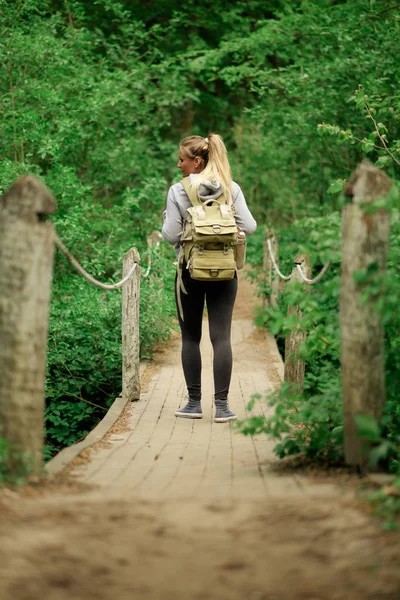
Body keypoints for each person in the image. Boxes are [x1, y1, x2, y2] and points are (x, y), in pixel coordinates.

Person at [162, 133, 257, 423]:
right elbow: (249, 227)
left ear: (196, 161)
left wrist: (170, 215)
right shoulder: (231, 188)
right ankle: (223, 406)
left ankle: (193, 404)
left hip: (190, 271)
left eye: (182, 159)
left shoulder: (178, 191)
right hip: (225, 271)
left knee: (191, 337)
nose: (178, 165)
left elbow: (170, 235)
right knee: (221, 337)